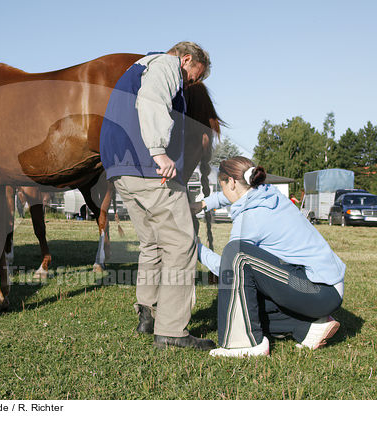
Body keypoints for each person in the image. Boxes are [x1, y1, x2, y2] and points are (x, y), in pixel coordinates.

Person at [100, 42, 215, 351]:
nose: (191, 83)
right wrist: (159, 152)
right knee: (181, 243)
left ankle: (147, 313)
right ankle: (172, 330)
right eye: (193, 76)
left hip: (121, 168)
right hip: (149, 168)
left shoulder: (138, 67)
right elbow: (151, 101)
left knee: (152, 242)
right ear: (187, 59)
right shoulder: (165, 66)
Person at [193, 157, 344, 357]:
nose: (224, 194)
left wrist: (195, 247)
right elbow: (228, 196)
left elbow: (227, 270)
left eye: (224, 185)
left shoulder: (251, 218)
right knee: (248, 306)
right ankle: (307, 327)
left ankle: (246, 344)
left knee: (236, 254)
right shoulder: (265, 193)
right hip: (325, 288)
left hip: (317, 291)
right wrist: (203, 203)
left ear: (231, 182)